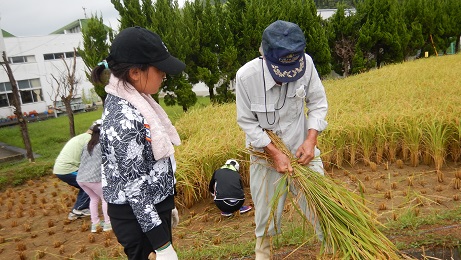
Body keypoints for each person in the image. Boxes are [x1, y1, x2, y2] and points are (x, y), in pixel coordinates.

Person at [235, 20, 329, 259]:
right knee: (265, 216)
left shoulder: (307, 65)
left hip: (302, 151)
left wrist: (311, 140)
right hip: (265, 156)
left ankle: (335, 248)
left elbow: (318, 104)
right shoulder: (246, 77)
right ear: (265, 56)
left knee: (324, 206)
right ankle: (263, 254)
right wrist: (274, 153)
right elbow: (247, 122)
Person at [92, 26, 185, 260]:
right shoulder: (122, 119)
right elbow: (135, 187)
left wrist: (166, 202)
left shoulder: (137, 101)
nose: (164, 75)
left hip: (151, 209)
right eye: (160, 69)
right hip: (138, 218)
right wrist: (161, 244)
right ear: (135, 72)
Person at [53, 123, 97, 220]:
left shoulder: (81, 137)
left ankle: (76, 211)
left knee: (85, 186)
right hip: (68, 169)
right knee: (90, 183)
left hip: (62, 168)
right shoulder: (89, 139)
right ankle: (79, 209)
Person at [76, 121, 112, 233]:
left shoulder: (87, 144)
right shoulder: (102, 145)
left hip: (81, 178)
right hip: (93, 179)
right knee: (105, 198)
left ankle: (95, 224)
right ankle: (108, 223)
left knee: (94, 199)